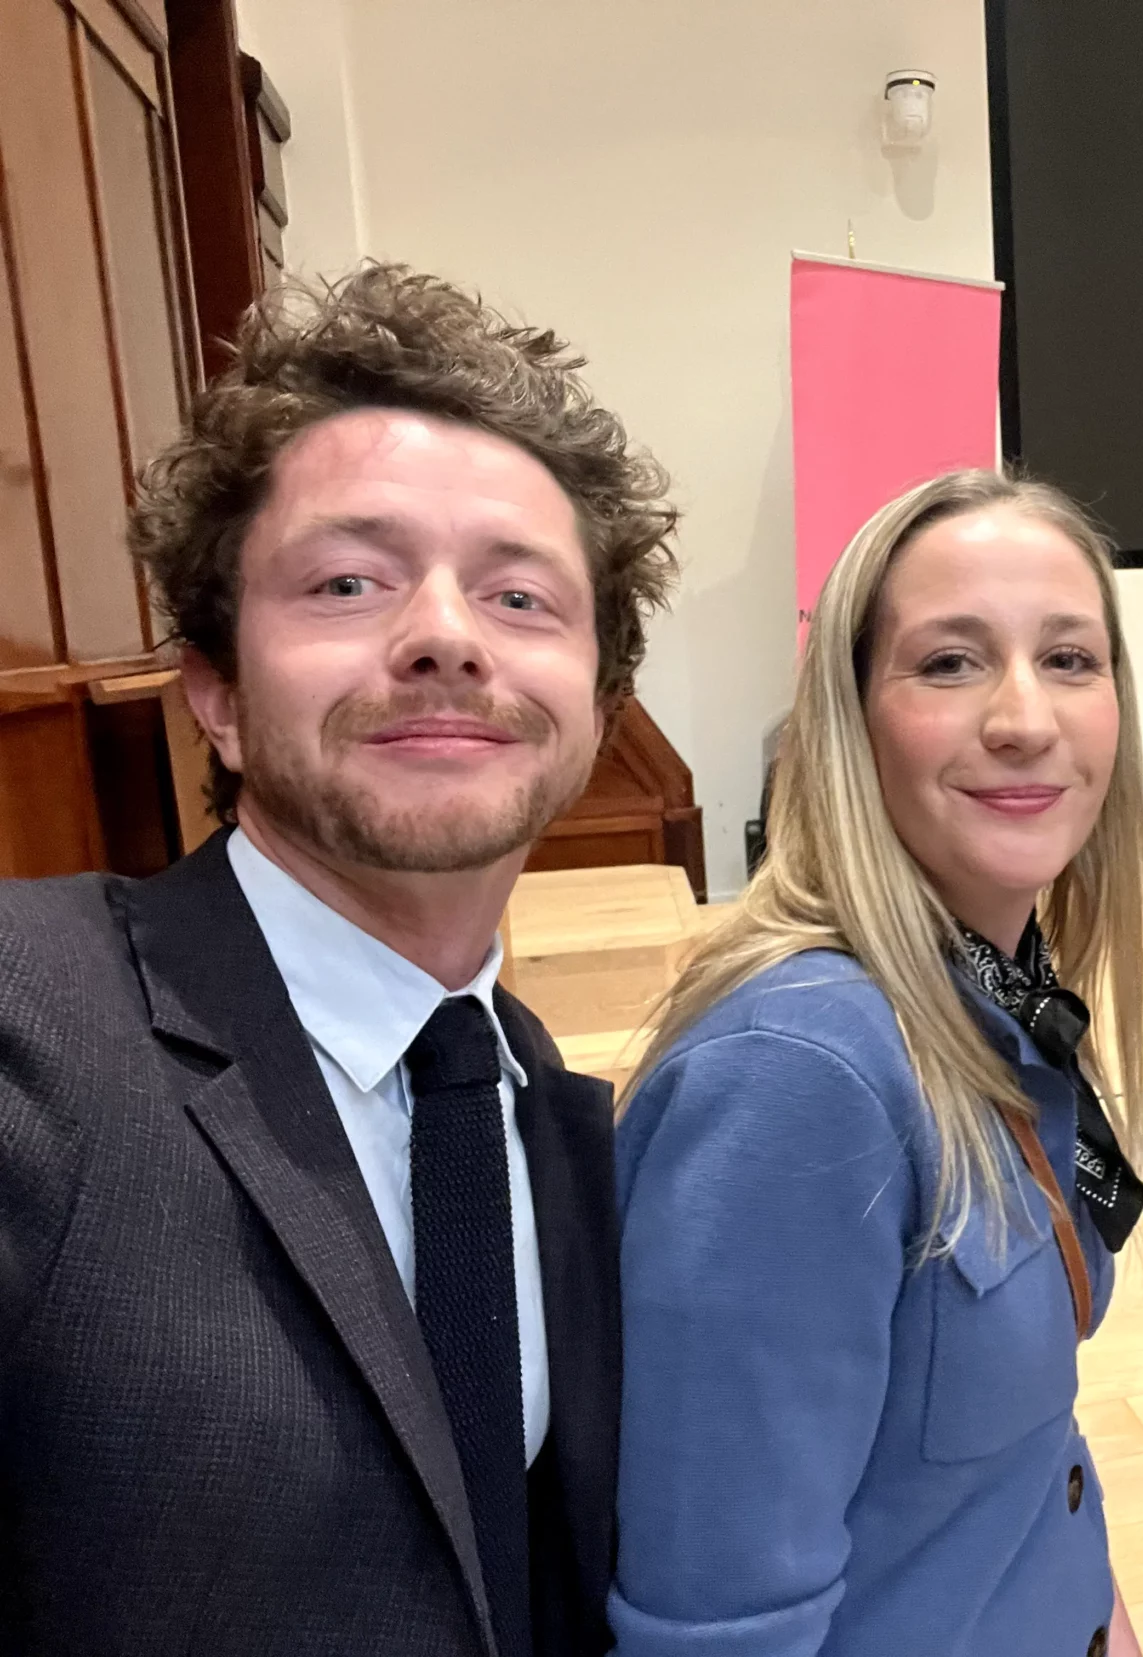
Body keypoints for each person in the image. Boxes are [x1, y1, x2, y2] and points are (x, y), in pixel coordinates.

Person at [0, 265, 676, 1655]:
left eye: (521, 597)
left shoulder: (535, 1097)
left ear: (601, 710)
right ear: (217, 692)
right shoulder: (30, 1017)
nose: (445, 638)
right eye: (349, 581)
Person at [610, 470, 1143, 1657]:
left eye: (1069, 658)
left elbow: (1018, 1456)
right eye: (950, 662)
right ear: (851, 718)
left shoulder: (1002, 992)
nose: (1024, 717)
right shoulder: (800, 1078)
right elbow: (720, 1628)